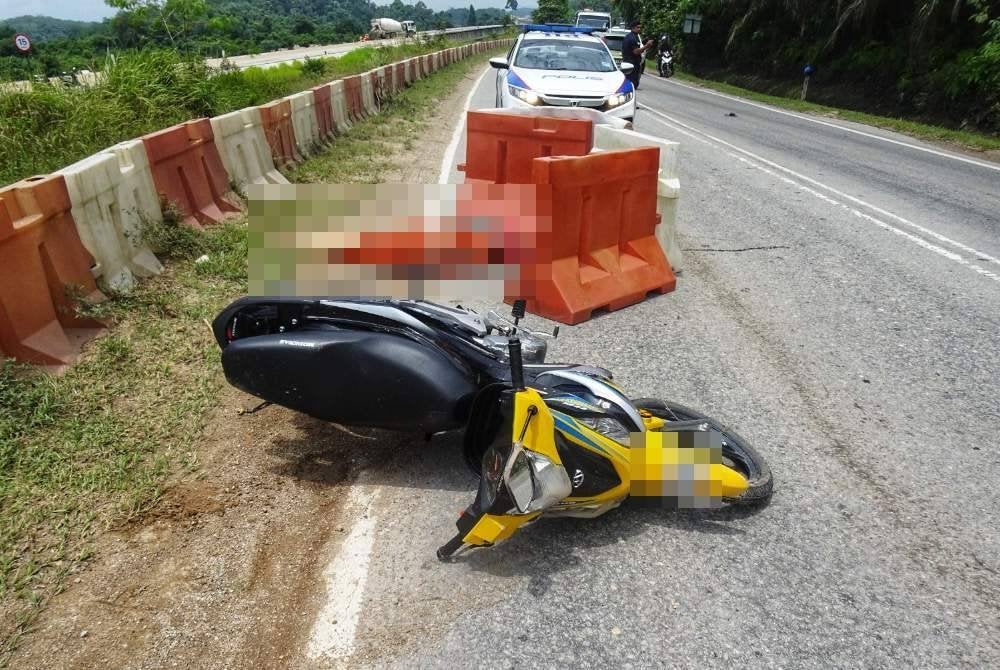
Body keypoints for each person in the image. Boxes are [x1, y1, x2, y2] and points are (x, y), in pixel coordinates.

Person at [621, 20, 655, 89]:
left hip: (633, 64)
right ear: (633, 28)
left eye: (640, 27)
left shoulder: (634, 36)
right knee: (632, 84)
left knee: (634, 83)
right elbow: (636, 51)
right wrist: (647, 46)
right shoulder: (632, 38)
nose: (639, 29)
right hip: (631, 64)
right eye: (638, 27)